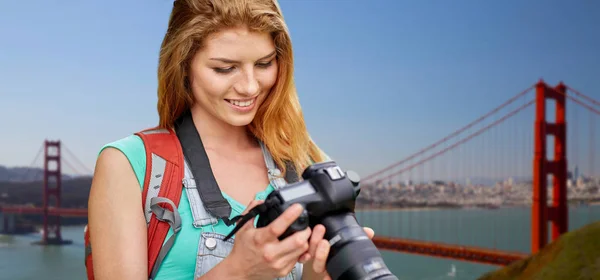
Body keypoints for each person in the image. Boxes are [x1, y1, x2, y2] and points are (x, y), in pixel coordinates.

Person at [87, 0, 375, 279]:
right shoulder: (129, 165)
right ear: (183, 65)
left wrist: (319, 273)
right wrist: (239, 271)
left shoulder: (305, 162)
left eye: (264, 64)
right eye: (225, 68)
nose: (249, 86)